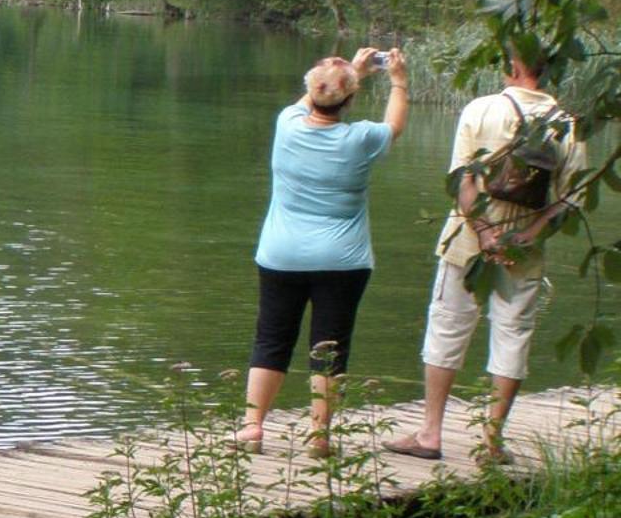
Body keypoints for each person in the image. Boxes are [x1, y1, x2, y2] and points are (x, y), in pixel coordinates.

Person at [385, 47, 587, 464]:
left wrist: (485, 233)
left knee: (446, 329)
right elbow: (571, 200)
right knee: (513, 336)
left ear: (512, 68)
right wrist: (522, 238)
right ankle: (492, 442)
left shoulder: (482, 108)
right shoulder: (567, 124)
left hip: (465, 242)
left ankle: (431, 433)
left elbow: (462, 180)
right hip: (524, 252)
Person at [237, 48, 409, 455]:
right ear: (349, 101)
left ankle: (251, 427)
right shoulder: (361, 138)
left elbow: (313, 99)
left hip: (281, 255)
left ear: (311, 93)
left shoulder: (287, 124)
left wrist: (348, 71)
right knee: (329, 344)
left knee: (272, 338)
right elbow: (395, 124)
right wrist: (398, 80)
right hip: (342, 260)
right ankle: (319, 436)